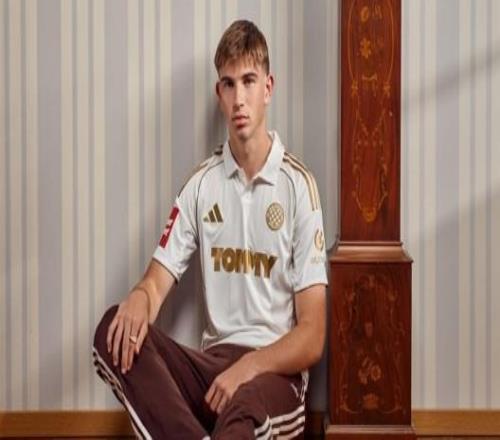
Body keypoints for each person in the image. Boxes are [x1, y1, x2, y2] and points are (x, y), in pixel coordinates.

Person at [93, 19, 327, 440]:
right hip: (212, 371)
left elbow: (312, 335)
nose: (239, 98)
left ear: (268, 88)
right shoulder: (201, 185)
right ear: (219, 94)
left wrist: (249, 367)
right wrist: (139, 298)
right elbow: (155, 285)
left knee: (242, 411)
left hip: (273, 375)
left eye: (249, 82)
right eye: (229, 84)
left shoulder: (298, 186)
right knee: (114, 330)